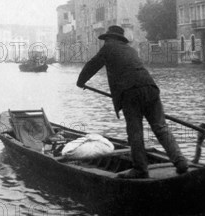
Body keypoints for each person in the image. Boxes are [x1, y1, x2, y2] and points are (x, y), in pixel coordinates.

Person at [76, 25, 189, 179]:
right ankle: (180, 161)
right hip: (151, 87)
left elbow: (92, 65)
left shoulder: (108, 47)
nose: (105, 42)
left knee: (135, 131)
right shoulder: (131, 50)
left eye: (106, 39)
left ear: (109, 38)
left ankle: (140, 169)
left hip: (131, 92)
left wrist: (81, 81)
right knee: (161, 127)